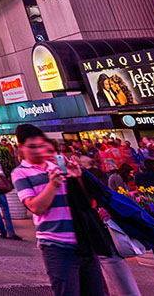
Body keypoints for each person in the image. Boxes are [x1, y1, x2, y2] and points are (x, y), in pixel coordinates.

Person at [12, 124, 108, 296]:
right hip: (56, 245)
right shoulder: (20, 173)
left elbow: (89, 202)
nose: (38, 151)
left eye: (40, 145)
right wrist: (53, 185)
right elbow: (35, 207)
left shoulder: (57, 166)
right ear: (21, 147)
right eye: (32, 147)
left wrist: (78, 178)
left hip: (83, 239)